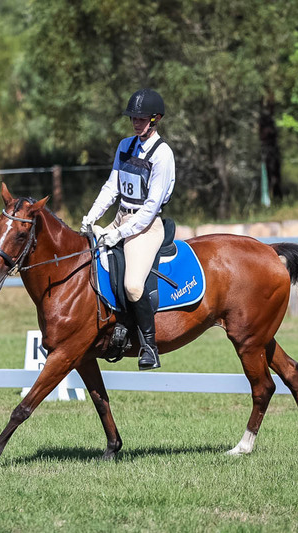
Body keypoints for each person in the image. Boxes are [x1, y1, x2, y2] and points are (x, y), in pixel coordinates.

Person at [81, 88, 175, 370]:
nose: (136, 123)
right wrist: (91, 217)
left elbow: (151, 206)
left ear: (155, 119)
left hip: (146, 227)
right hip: (121, 218)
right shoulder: (125, 145)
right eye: (133, 118)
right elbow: (112, 187)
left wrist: (119, 233)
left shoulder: (163, 154)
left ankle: (149, 347)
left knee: (133, 285)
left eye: (141, 118)